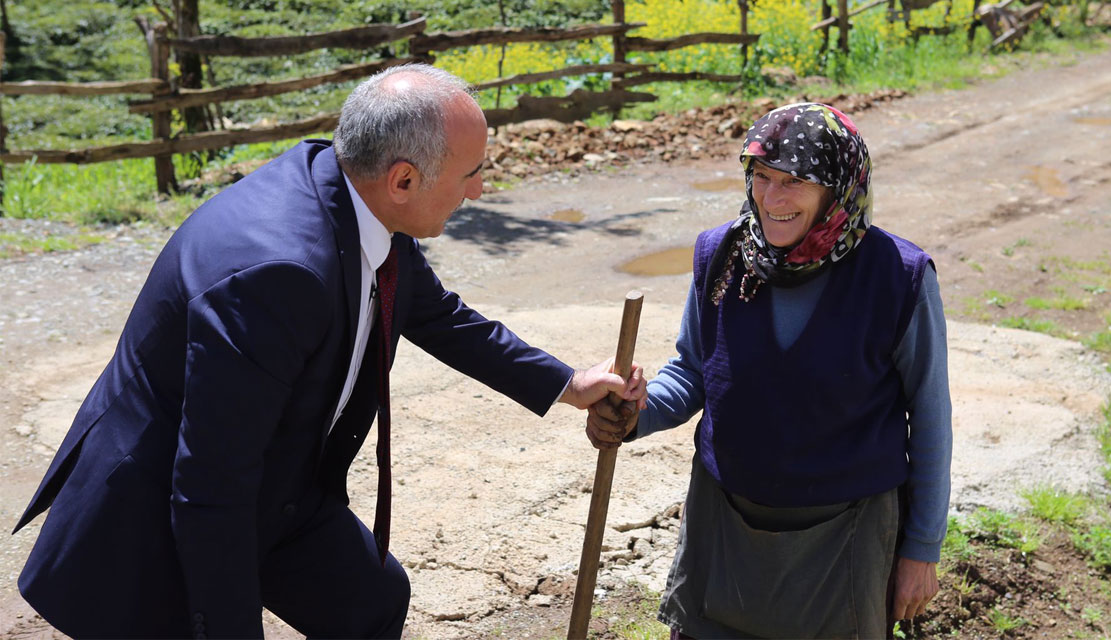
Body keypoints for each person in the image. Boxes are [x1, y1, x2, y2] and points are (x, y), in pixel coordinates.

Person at [12, 63, 644, 639]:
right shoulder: (279, 273)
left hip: (276, 483)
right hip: (164, 521)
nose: (478, 192)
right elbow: (210, 483)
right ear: (403, 178)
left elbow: (437, 315)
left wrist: (567, 383)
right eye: (472, 174)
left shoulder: (352, 192)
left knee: (369, 601)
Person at [588, 102, 952, 639]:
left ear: (837, 187)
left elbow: (929, 418)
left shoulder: (898, 278)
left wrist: (921, 550)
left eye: (795, 181)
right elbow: (693, 369)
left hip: (845, 537)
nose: (772, 198)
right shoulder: (722, 254)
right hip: (725, 521)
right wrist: (635, 410)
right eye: (761, 175)